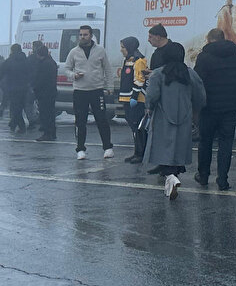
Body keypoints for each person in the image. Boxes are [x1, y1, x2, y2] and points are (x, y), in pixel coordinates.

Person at [142, 52, 206, 200]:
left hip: (163, 116)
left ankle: (171, 177)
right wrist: (196, 110)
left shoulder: (158, 74)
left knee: (163, 149)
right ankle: (171, 181)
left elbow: (151, 95)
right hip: (184, 116)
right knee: (178, 149)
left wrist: (149, 107)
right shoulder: (190, 74)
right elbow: (200, 96)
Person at [193, 28, 236, 191]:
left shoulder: (204, 57)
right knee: (226, 143)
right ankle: (223, 179)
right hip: (230, 106)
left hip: (209, 107)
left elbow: (197, 81)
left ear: (209, 40)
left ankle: (203, 175)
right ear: (223, 38)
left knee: (206, 142)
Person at [63, 25, 115, 160]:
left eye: (85, 35)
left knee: (102, 119)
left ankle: (108, 147)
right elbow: (66, 69)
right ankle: (80, 149)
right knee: (80, 121)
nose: (82, 37)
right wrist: (73, 75)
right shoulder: (74, 52)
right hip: (80, 91)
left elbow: (107, 69)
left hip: (96, 90)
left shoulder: (100, 51)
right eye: (80, 35)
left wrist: (110, 86)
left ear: (91, 36)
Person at [118, 36, 149, 164]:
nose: (121, 50)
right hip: (127, 98)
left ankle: (141, 153)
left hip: (135, 99)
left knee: (138, 127)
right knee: (133, 127)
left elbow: (140, 79)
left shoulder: (138, 60)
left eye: (123, 47)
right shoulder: (128, 59)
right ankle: (137, 152)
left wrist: (134, 97)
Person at [0, 42, 32, 133]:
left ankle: (16, 124)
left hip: (12, 88)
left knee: (15, 108)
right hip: (24, 88)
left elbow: (0, 71)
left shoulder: (9, 61)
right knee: (19, 107)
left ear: (12, 50)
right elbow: (31, 73)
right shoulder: (26, 61)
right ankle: (17, 125)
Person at [29, 41, 58, 141]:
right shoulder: (51, 62)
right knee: (51, 113)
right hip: (51, 92)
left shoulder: (44, 64)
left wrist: (35, 88)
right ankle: (52, 133)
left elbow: (40, 79)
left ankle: (47, 133)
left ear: (40, 54)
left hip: (44, 93)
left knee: (45, 114)